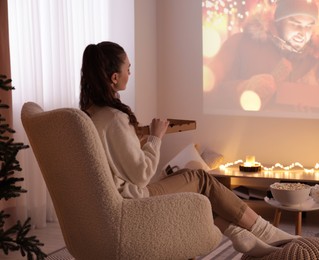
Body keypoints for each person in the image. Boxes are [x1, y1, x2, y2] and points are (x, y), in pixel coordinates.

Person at [79, 41, 299, 258]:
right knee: (201, 179)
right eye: (127, 68)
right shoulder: (116, 118)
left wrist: (138, 139)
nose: (130, 72)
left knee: (186, 177)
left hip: (116, 200)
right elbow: (141, 175)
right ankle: (264, 230)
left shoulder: (92, 114)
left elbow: (118, 161)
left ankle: (239, 233)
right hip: (132, 201)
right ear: (114, 77)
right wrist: (155, 137)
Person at [205, 0, 319, 112]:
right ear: (279, 21)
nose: (302, 32)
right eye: (295, 23)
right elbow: (204, 94)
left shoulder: (312, 60)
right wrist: (242, 88)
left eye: (308, 26)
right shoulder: (240, 43)